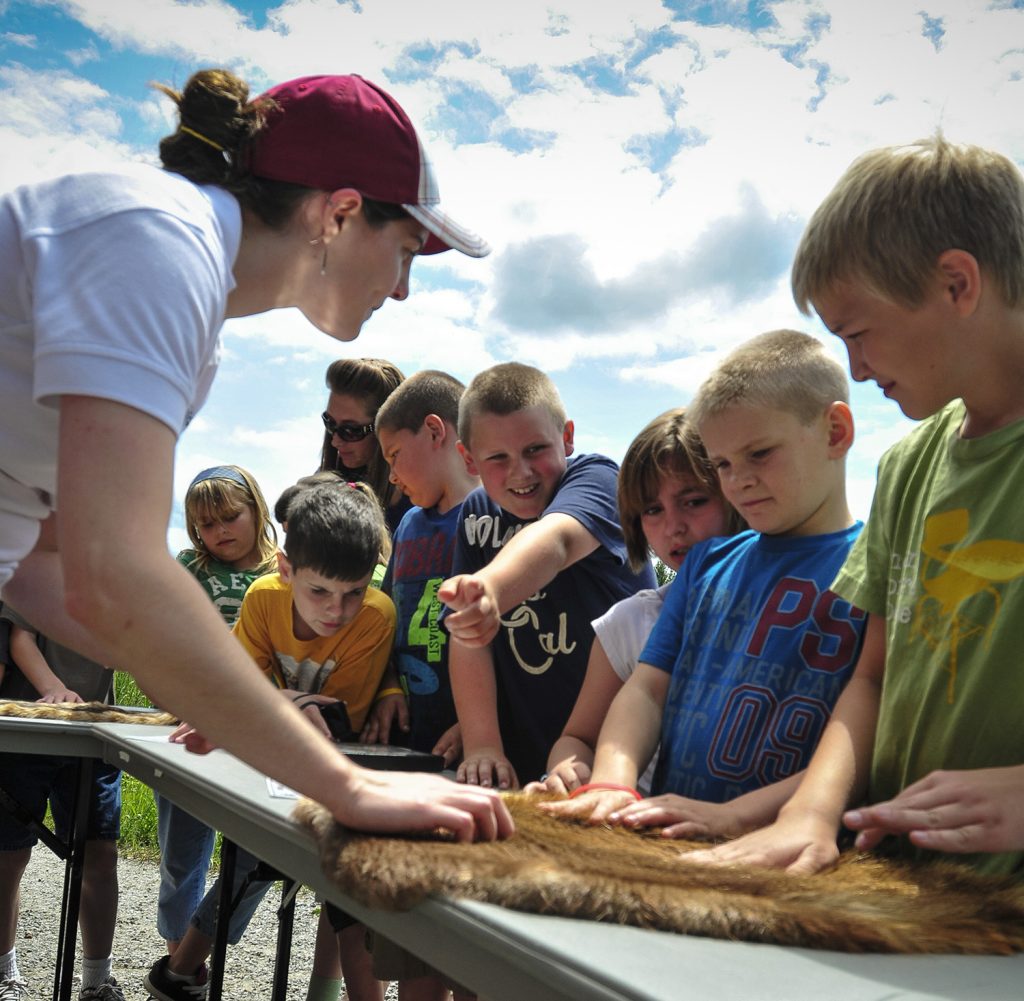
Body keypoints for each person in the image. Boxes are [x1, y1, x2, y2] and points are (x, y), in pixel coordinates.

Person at [0, 68, 512, 844]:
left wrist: (225, 697)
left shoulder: (184, 287)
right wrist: (347, 786)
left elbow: (47, 566)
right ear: (340, 213)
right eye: (405, 249)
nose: (403, 289)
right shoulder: (160, 247)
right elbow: (113, 577)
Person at [682, 137, 1024, 876]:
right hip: (905, 886)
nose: (859, 368)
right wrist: (809, 810)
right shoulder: (908, 465)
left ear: (957, 284)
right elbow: (870, 676)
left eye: (859, 334)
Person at [544, 330, 866, 839]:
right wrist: (612, 784)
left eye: (759, 453)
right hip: (671, 836)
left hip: (795, 849)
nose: (738, 480)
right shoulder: (707, 565)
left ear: (834, 432)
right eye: (723, 464)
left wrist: (735, 817)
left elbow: (869, 741)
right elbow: (647, 690)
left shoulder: (879, 568)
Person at [146, 482, 396, 1001]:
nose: (337, 610)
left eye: (352, 592)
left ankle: (181, 970)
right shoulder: (262, 601)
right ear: (285, 569)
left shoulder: (376, 615)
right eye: (320, 592)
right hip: (267, 762)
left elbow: (335, 721)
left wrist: (273, 704)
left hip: (336, 768)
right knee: (250, 857)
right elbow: (237, 693)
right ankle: (182, 968)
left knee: (343, 899)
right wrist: (276, 706)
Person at [439, 362, 656, 789]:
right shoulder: (476, 513)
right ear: (468, 459)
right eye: (497, 458)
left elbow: (556, 543)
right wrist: (483, 744)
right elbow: (467, 632)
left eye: (535, 449)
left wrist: (491, 589)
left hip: (613, 751)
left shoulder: (598, 479)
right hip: (526, 756)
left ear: (568, 437)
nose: (521, 472)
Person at [530, 408, 744, 800]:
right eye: (652, 510)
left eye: (694, 501)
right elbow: (577, 738)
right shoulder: (627, 623)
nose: (673, 525)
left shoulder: (786, 607)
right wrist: (567, 767)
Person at [363, 369, 482, 1001]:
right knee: (413, 945)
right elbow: (386, 621)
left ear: (435, 431)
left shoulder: (490, 518)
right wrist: (385, 689)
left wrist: (481, 723)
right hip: (412, 751)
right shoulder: (407, 527)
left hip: (472, 759)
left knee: (470, 941)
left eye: (394, 456)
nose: (393, 476)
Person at [156, 465, 278, 958]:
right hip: (191, 726)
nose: (218, 532)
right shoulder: (189, 567)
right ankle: (175, 958)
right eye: (205, 524)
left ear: (257, 510)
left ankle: (196, 947)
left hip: (262, 733)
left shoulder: (284, 571)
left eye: (229, 517)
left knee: (265, 852)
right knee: (182, 855)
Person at [0, 605, 124, 1001]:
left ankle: (97, 980)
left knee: (100, 854)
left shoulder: (126, 578)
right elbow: (21, 637)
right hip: (29, 727)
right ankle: (5, 972)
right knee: (8, 855)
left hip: (93, 732)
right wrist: (53, 690)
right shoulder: (35, 565)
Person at [319, 358, 412, 534]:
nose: (335, 441)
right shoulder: (323, 485)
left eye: (351, 430)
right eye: (330, 424)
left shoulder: (425, 499)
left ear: (385, 428)